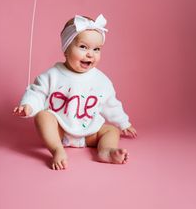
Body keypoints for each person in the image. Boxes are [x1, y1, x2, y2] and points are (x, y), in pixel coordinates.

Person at [13, 14, 137, 170]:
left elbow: (110, 103)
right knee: (43, 117)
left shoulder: (101, 80)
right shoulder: (53, 75)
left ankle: (105, 151)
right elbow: (37, 92)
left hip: (90, 133)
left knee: (111, 130)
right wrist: (28, 106)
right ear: (66, 48)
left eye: (96, 49)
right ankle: (57, 150)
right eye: (83, 47)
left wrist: (124, 122)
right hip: (61, 131)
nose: (90, 54)